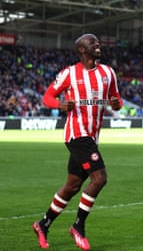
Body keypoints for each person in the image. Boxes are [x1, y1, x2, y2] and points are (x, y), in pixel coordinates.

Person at [32, 34, 122, 250]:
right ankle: (78, 227)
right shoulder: (69, 73)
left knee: (72, 186)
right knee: (99, 178)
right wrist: (60, 105)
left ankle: (43, 224)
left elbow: (116, 102)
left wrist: (116, 103)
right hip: (76, 135)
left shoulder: (108, 73)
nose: (97, 44)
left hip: (92, 136)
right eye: (92, 42)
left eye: (98, 41)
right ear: (82, 50)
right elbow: (47, 97)